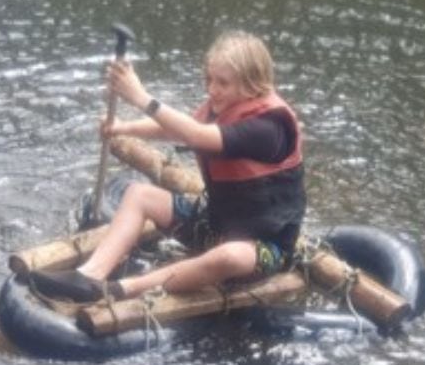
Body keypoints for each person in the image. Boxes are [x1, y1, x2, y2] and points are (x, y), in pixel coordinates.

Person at [32, 30, 306, 303]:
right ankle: (90, 275)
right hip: (215, 229)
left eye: (223, 83)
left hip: (263, 249)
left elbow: (197, 136)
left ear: (251, 85)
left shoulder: (270, 129)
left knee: (230, 256)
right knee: (139, 193)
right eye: (209, 79)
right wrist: (123, 128)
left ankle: (126, 289)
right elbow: (177, 128)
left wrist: (140, 97)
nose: (212, 89)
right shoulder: (221, 106)